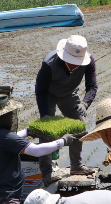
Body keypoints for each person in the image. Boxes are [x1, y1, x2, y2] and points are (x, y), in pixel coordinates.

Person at [35, 34, 98, 180]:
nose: (76, 65)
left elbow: (92, 86)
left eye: (78, 62)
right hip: (48, 95)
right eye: (72, 62)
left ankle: (76, 165)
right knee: (46, 130)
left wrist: (84, 103)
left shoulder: (89, 62)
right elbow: (41, 91)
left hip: (69, 94)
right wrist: (44, 114)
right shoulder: (49, 63)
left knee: (79, 126)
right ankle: (46, 170)